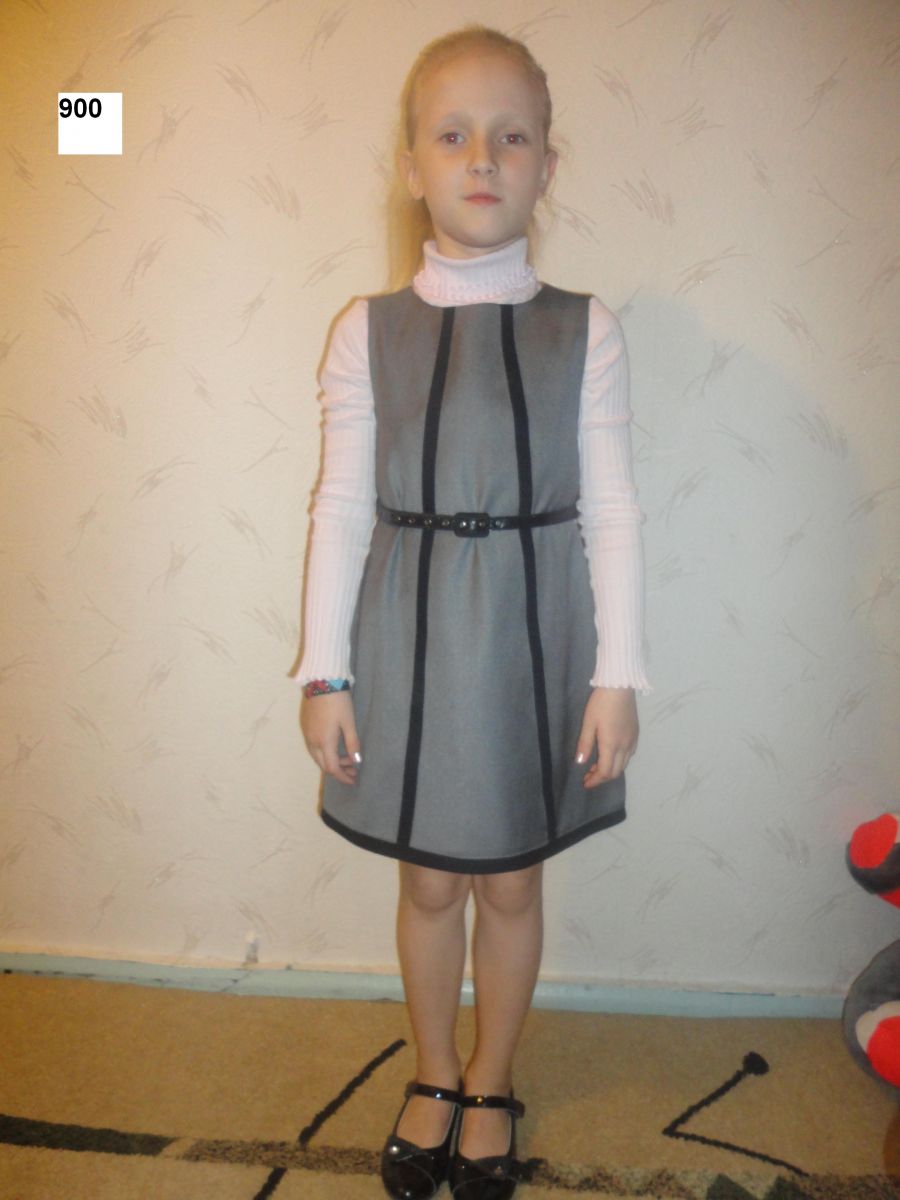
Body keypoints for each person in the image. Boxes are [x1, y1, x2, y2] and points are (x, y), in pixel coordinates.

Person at [292, 24, 651, 1200]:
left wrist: (619, 675)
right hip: (405, 638)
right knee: (428, 882)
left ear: (547, 164)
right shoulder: (367, 330)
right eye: (452, 136)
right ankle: (435, 1072)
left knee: (511, 882)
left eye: (511, 136)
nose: (482, 157)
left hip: (532, 641)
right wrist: (324, 673)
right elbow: (341, 508)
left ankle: (492, 1077)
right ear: (412, 167)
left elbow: (614, 511)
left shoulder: (586, 329)